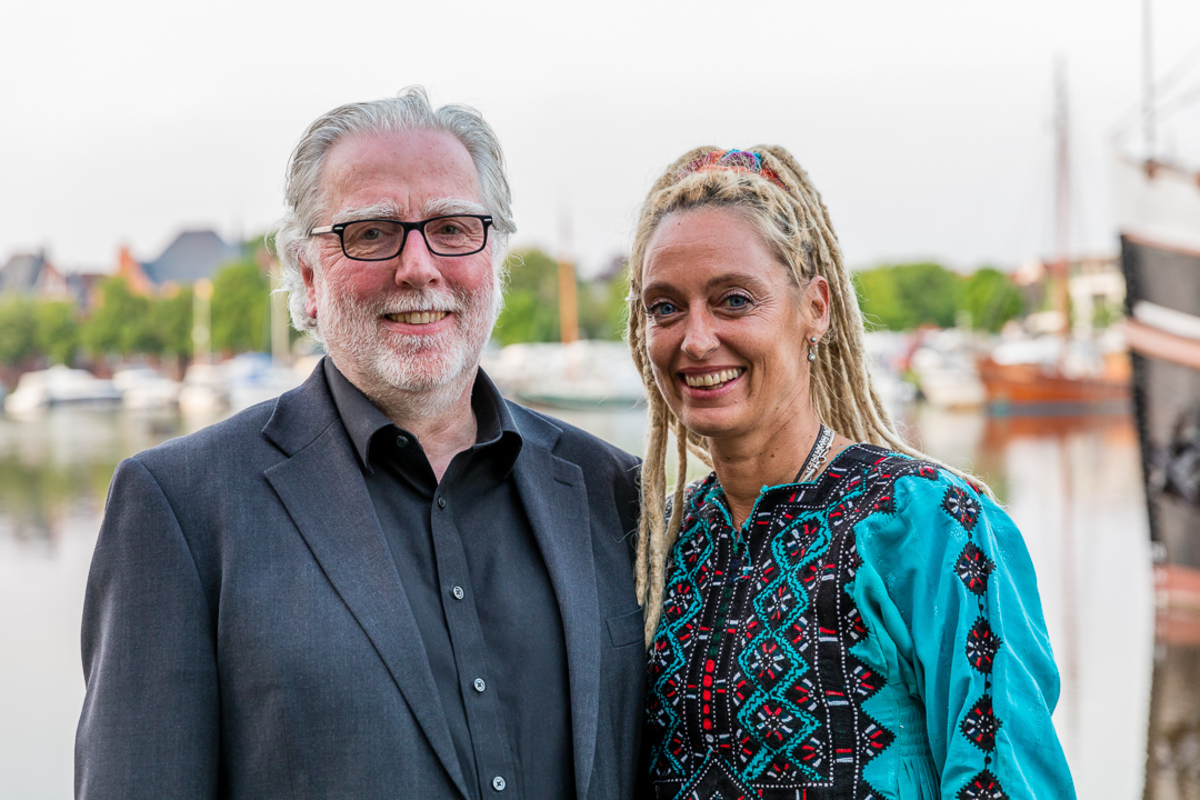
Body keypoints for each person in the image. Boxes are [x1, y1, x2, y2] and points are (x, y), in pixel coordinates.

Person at [75, 88, 646, 800]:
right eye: (371, 233)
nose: (418, 266)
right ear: (308, 278)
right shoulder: (181, 510)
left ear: (494, 258)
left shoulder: (613, 490)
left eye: (452, 227)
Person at [626, 146, 1075, 799]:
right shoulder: (656, 543)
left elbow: (1005, 777)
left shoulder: (929, 524)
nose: (695, 339)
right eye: (665, 307)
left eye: (733, 300)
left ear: (816, 307)